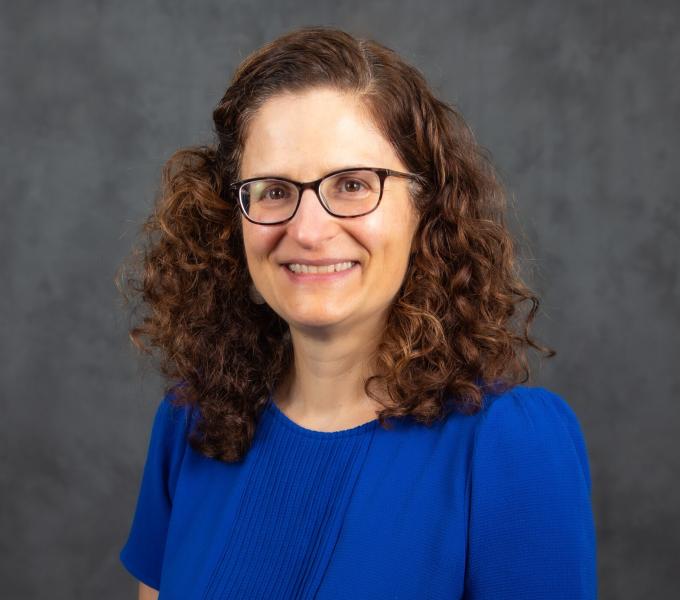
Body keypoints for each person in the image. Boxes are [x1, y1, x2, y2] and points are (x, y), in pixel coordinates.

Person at [117, 25, 597, 599]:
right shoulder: (190, 424)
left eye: (351, 184)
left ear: (425, 209)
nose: (308, 230)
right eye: (273, 190)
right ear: (231, 217)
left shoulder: (511, 448)